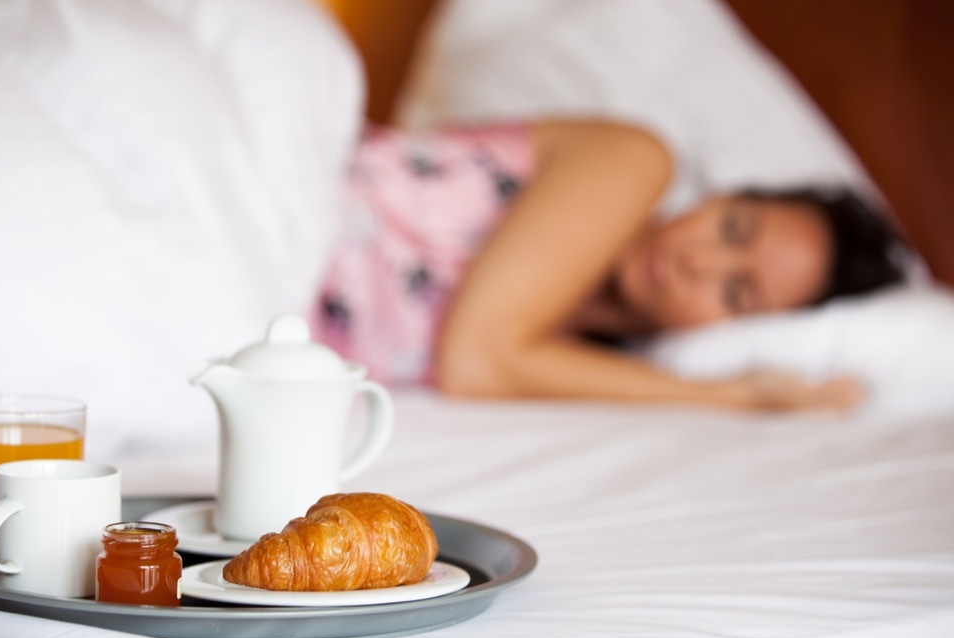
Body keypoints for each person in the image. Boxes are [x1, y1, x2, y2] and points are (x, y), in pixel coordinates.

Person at [310, 119, 907, 412]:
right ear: (718, 197)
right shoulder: (635, 160)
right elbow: (474, 363)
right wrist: (731, 396)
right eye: (732, 227)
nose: (698, 262)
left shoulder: (580, 362)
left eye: (738, 292)